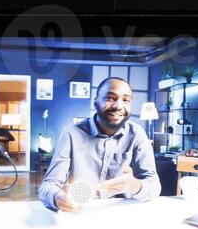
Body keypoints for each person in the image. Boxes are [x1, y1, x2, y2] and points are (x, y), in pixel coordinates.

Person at [39, 77, 161, 212]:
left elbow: (154, 186)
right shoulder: (71, 133)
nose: (118, 106)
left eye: (126, 100)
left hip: (123, 211)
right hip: (81, 211)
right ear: (95, 102)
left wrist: (135, 185)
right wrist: (57, 197)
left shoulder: (137, 133)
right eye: (110, 98)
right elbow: (48, 186)